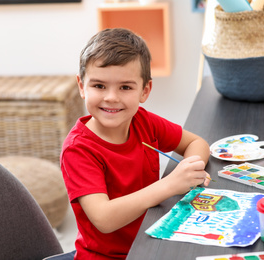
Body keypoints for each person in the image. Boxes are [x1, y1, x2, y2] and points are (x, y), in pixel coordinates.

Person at [60, 28, 211, 260]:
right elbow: (104, 218)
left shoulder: (143, 121)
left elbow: (196, 142)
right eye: (99, 86)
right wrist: (171, 184)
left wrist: (192, 169)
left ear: (145, 90)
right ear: (82, 86)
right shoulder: (78, 149)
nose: (111, 97)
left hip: (150, 243)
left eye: (125, 87)